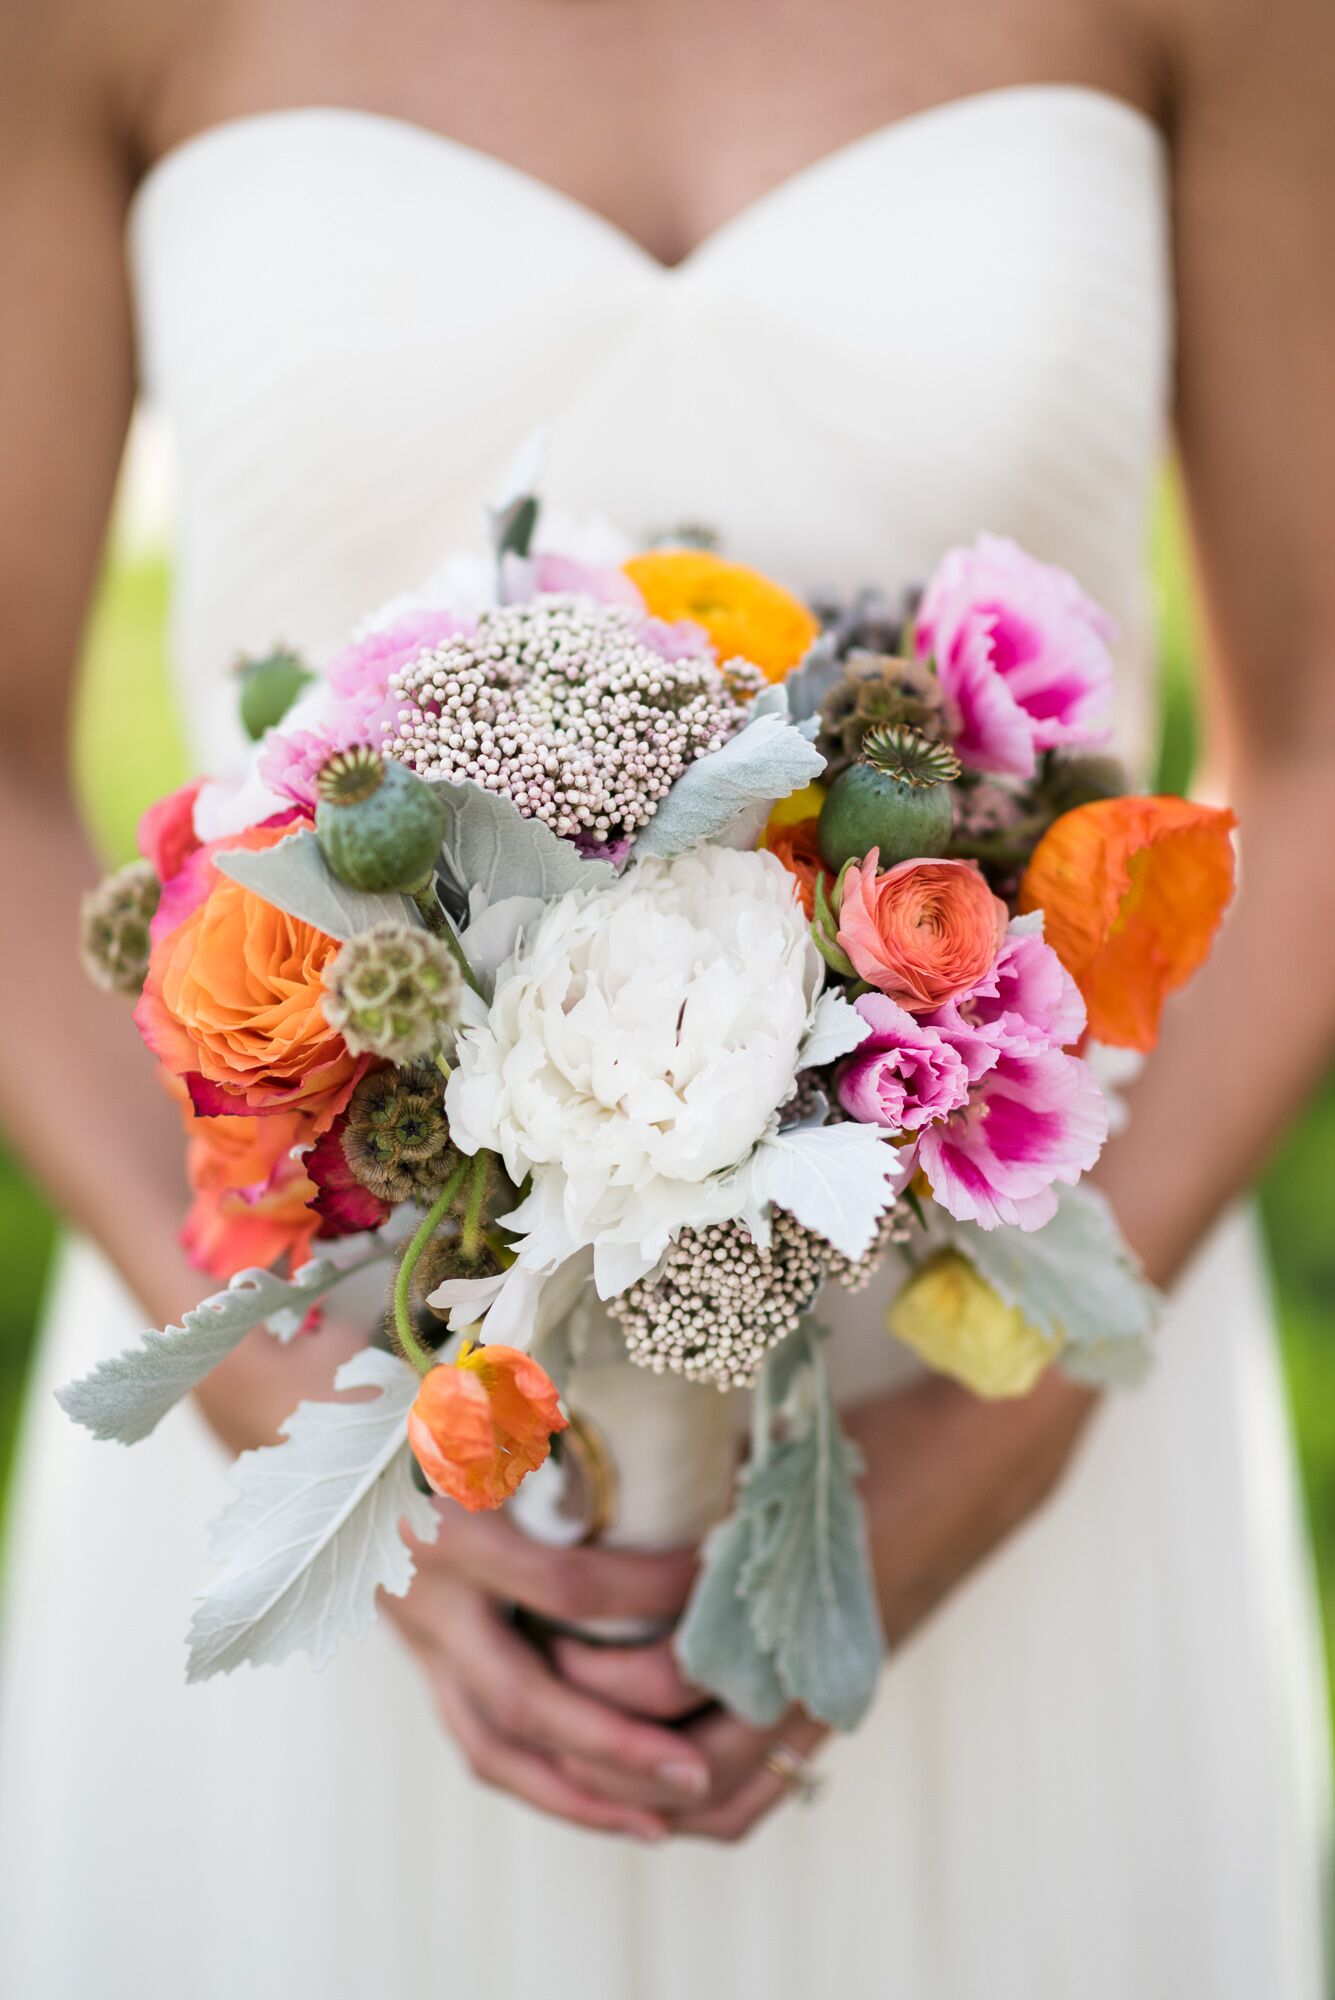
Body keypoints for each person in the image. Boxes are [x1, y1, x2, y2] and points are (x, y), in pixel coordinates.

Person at [0, 1, 1331, 1993]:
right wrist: (329, 1454)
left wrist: (1014, 1429)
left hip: (1015, 1400)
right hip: (352, 1445)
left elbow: (1312, 734)